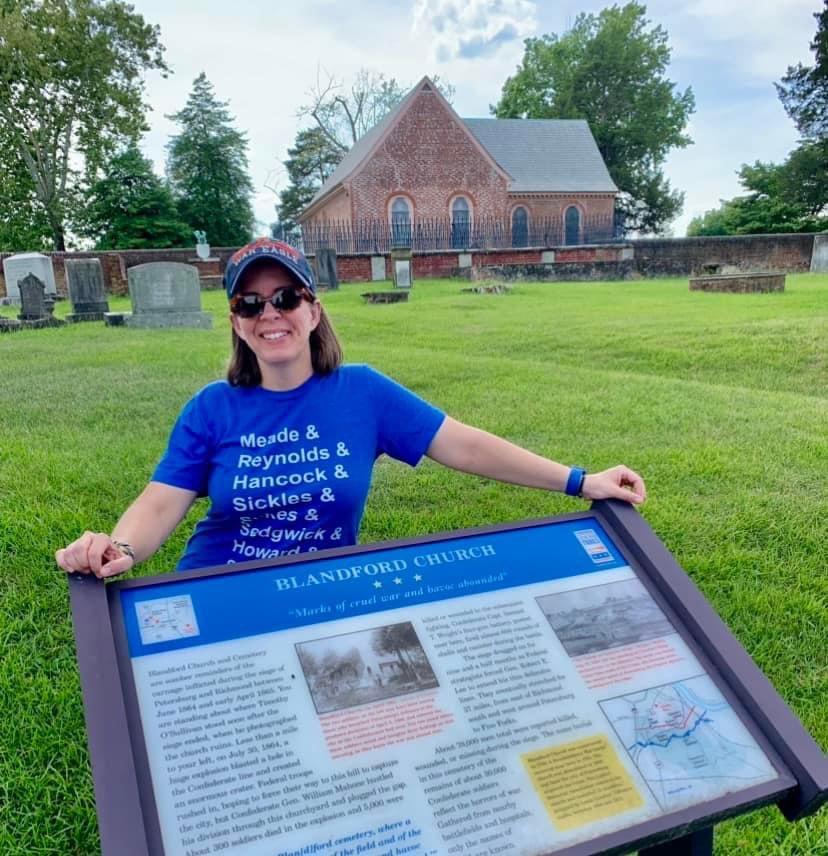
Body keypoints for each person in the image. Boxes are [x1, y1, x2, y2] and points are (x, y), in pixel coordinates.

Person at [56, 238, 646, 579]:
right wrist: (122, 549)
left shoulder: (362, 392)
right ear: (236, 323)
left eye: (286, 297)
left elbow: (462, 443)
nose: (270, 313)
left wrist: (580, 482)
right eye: (251, 303)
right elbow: (162, 501)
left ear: (313, 312)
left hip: (325, 591)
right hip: (220, 588)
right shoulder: (213, 408)